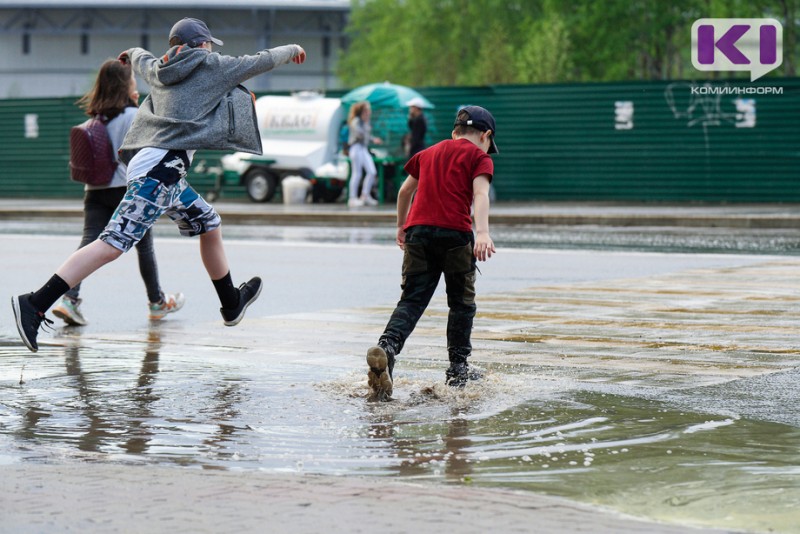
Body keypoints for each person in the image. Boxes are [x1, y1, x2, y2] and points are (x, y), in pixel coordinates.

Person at [11, 17, 306, 352]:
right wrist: (292, 49)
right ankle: (35, 303)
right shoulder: (212, 65)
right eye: (209, 43)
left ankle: (231, 302)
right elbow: (259, 60)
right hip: (160, 170)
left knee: (209, 223)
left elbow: (141, 58)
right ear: (202, 44)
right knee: (112, 244)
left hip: (160, 168)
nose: (210, 48)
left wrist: (131, 53)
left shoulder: (160, 69)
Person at [366, 105, 499, 401]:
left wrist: (401, 227)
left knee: (412, 299)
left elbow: (404, 192)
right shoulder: (479, 157)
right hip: (455, 235)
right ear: (486, 136)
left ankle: (387, 348)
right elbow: (480, 194)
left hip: (418, 233)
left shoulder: (427, 153)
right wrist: (483, 232)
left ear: (455, 132)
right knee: (461, 304)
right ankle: (457, 369)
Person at [52, 59, 184, 327]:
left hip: (95, 190)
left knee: (88, 243)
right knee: (144, 247)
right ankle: (157, 303)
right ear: (126, 85)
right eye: (133, 81)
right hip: (126, 188)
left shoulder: (96, 118)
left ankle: (69, 299)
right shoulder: (133, 116)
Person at [347, 101, 382, 207]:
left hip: (363, 148)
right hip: (356, 148)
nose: (368, 112)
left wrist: (373, 139)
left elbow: (367, 136)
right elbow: (359, 134)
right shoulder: (357, 121)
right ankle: (352, 198)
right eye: (366, 110)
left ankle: (365, 195)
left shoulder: (365, 121)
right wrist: (366, 125)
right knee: (357, 173)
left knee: (372, 171)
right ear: (362, 111)